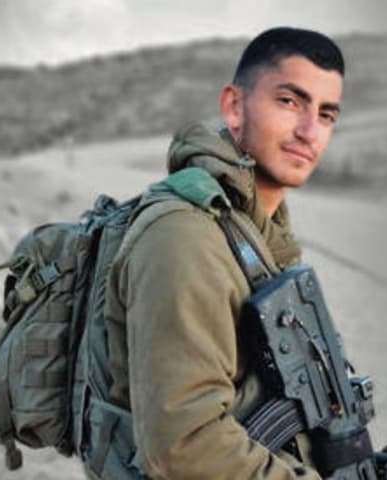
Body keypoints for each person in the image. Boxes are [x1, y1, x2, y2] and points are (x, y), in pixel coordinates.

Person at [104, 27, 344, 479]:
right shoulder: (186, 236)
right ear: (235, 106)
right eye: (289, 102)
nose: (309, 131)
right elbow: (183, 445)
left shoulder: (257, 230)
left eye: (326, 114)